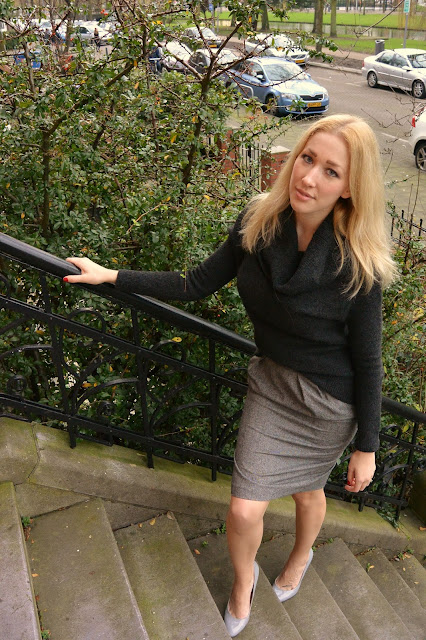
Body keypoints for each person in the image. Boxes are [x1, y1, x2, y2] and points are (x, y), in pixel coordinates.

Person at [64, 114, 396, 637]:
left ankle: (301, 556)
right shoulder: (258, 223)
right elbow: (195, 282)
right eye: (307, 158)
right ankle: (244, 585)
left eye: (331, 171)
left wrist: (367, 447)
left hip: (329, 405)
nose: (309, 177)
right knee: (243, 509)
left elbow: (369, 362)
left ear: (350, 188)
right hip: (272, 386)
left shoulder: (359, 266)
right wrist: (113, 276)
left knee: (308, 492)